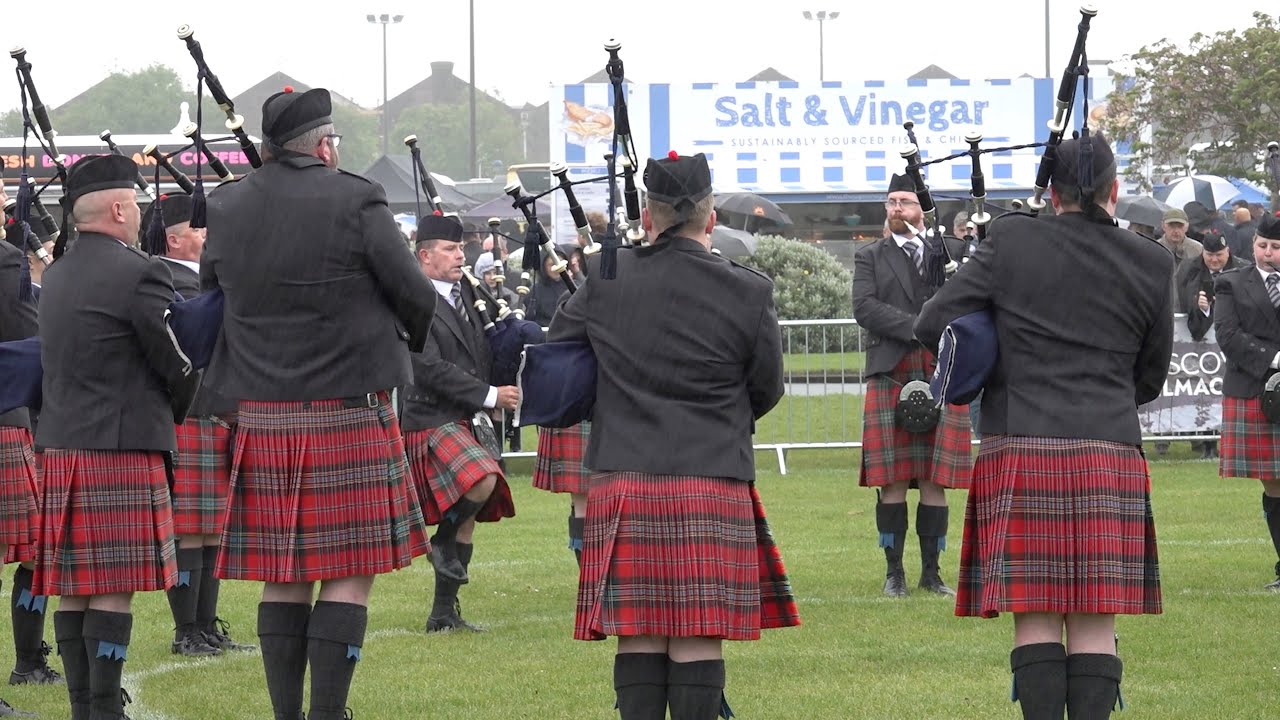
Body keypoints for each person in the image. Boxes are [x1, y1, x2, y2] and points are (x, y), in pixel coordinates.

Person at [916, 132, 1172, 720]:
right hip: (1108, 444)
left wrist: (992, 355)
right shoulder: (1153, 260)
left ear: (1053, 194)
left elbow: (933, 323)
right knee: (1095, 617)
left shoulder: (1010, 239)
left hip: (1022, 442)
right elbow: (1151, 374)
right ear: (1113, 190)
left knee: (1035, 613)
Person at [201, 87, 437, 720]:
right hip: (348, 409)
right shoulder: (356, 196)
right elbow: (416, 293)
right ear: (325, 145)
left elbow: (213, 292)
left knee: (283, 575)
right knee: (349, 571)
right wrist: (401, 340)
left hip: (262, 411)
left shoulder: (225, 203)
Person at [548, 151, 799, 719]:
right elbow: (767, 388)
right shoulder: (748, 289)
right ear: (711, 218)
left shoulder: (605, 279)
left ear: (647, 216)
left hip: (625, 474)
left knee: (637, 631)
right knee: (697, 632)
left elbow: (560, 359)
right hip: (712, 473)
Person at [34, 154, 200, 720]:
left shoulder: (56, 274)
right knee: (111, 585)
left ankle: (84, 708)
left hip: (62, 442)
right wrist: (181, 405)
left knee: (74, 586)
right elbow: (174, 357)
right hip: (121, 445)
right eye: (137, 204)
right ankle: (105, 709)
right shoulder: (140, 272)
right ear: (120, 208)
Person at [141, 193, 254, 657]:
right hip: (190, 412)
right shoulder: (166, 280)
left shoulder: (201, 281)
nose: (207, 236)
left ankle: (206, 625)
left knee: (210, 530)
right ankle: (185, 629)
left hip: (216, 412)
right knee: (189, 529)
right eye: (198, 229)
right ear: (174, 239)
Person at [852, 173, 972, 598]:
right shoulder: (871, 256)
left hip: (941, 370)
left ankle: (932, 574)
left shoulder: (949, 251)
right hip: (892, 367)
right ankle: (894, 573)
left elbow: (967, 301)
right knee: (894, 479)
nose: (896, 208)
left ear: (922, 208)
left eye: (904, 201)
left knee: (936, 479)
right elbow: (864, 307)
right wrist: (918, 327)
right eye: (891, 201)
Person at [400, 213, 516, 633]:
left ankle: (443, 614)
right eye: (450, 249)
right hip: (430, 414)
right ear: (425, 256)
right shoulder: (412, 299)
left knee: (468, 516)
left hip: (466, 413)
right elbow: (426, 366)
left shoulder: (469, 293)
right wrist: (489, 395)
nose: (460, 255)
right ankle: (440, 541)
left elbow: (479, 351)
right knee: (482, 478)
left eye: (461, 248)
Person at [1212, 213, 1280, 591]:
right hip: (1257, 390)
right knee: (1274, 483)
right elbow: (1227, 335)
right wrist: (1275, 358)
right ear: (1253, 244)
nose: (1267, 252)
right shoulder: (1231, 283)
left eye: (1276, 247)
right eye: (1262, 245)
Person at [0, 208, 43, 716]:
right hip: (4, 412)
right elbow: (31, 344)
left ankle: (30, 661)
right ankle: (28, 662)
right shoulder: (6, 259)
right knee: (32, 551)